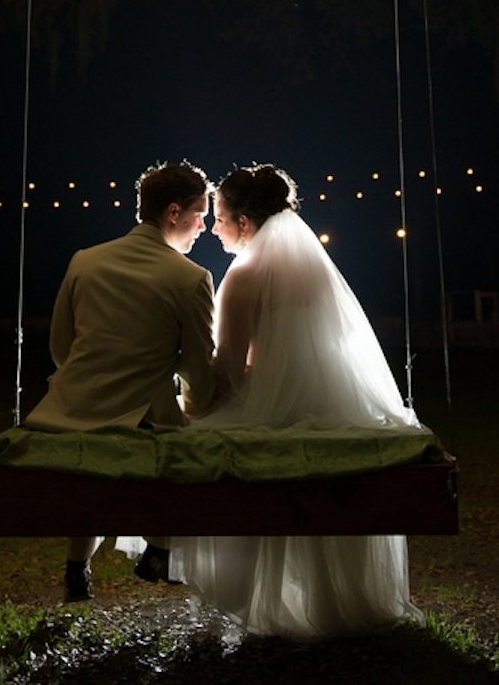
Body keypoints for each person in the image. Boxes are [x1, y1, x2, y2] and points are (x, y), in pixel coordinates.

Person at [171, 163, 431, 639]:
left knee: (195, 442)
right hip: (329, 401)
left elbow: (228, 371)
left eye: (223, 218)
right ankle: (337, 599)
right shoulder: (313, 270)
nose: (216, 228)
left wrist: (194, 404)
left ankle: (261, 598)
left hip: (270, 405)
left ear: (245, 224)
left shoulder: (244, 277)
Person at [23, 160, 216, 602]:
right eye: (199, 214)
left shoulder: (84, 261)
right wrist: (192, 403)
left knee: (92, 466)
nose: (204, 226)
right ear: (173, 213)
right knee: (191, 446)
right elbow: (199, 374)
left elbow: (60, 347)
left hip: (66, 414)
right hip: (140, 422)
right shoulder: (191, 278)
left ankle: (78, 566)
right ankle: (162, 549)